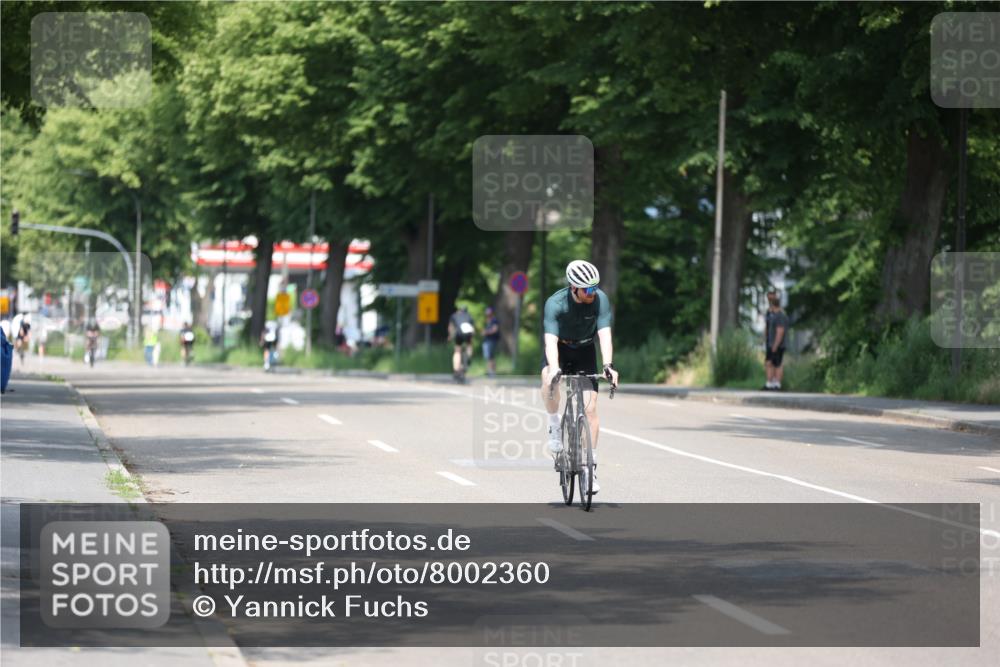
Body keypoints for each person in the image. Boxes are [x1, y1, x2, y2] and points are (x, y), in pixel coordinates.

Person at [541, 260, 619, 494]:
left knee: (591, 409)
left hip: (585, 349)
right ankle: (554, 424)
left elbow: (604, 335)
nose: (593, 293)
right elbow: (550, 341)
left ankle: (589, 467)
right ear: (574, 287)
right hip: (561, 348)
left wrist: (608, 365)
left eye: (595, 287)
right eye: (588, 289)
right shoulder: (555, 304)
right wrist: (555, 367)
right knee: (547, 377)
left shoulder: (600, 300)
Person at [763, 290, 789, 391]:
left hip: (777, 344)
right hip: (770, 342)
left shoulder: (780, 316)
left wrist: (775, 344)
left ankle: (777, 384)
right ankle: (770, 383)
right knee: (770, 363)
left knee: (777, 363)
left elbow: (780, 331)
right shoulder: (770, 313)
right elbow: (767, 326)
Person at [448, 305, 476, 382]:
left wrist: (450, 336)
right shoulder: (469, 316)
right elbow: (473, 329)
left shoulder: (454, 315)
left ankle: (456, 369)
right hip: (468, 333)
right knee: (469, 345)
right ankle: (468, 358)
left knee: (457, 350)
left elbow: (451, 327)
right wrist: (472, 338)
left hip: (459, 333)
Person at [482, 306, 500, 377]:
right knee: (488, 356)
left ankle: (492, 371)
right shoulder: (487, 320)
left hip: (492, 340)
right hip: (487, 340)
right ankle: (490, 371)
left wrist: (486, 332)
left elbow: (495, 330)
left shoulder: (494, 320)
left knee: (490, 356)